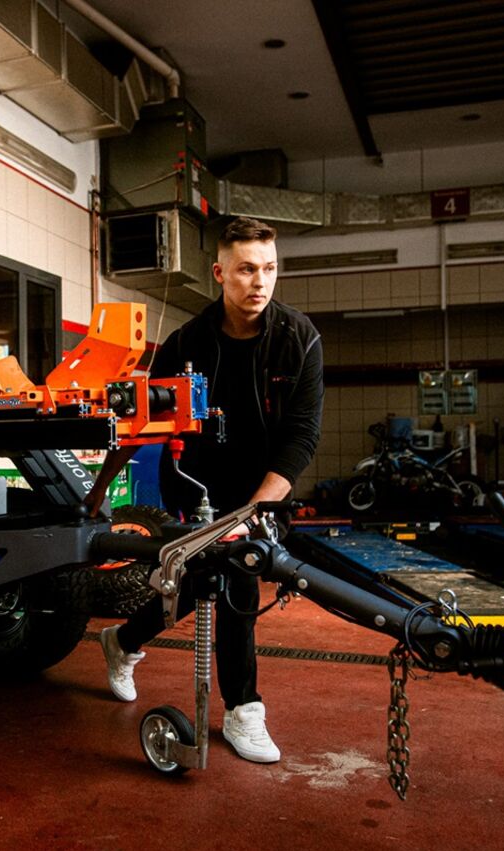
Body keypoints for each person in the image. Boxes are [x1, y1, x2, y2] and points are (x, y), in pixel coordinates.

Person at [94, 215, 323, 763]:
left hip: (263, 487)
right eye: (246, 270)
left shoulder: (299, 340)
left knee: (204, 584)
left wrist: (255, 509)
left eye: (269, 269)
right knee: (231, 580)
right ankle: (244, 710)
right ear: (220, 273)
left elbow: (301, 435)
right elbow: (144, 422)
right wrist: (97, 491)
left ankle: (124, 642)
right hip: (197, 485)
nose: (259, 282)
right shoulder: (185, 344)